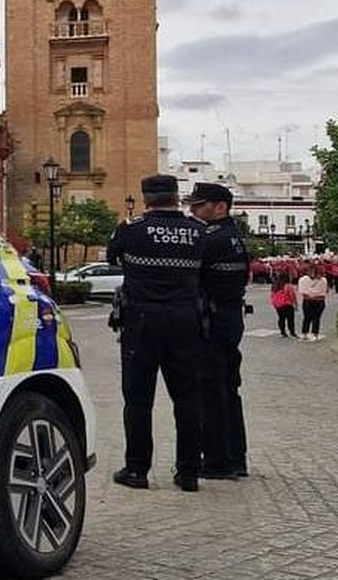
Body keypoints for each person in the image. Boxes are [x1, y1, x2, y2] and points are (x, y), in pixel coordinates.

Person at [106, 174, 206, 492]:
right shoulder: (197, 231)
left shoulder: (130, 230)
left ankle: (137, 469)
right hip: (185, 321)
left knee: (138, 399)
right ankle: (189, 472)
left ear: (146, 199)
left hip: (141, 322)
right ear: (176, 197)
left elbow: (112, 257)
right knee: (188, 397)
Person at [185, 182, 250, 479]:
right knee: (228, 389)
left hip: (211, 321)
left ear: (220, 206)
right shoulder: (233, 237)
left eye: (200, 205)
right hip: (230, 317)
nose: (193, 210)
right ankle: (236, 457)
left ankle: (216, 460)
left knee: (210, 390)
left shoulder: (209, 240)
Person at [297, 268, 328, 340]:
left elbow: (302, 291)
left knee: (307, 317)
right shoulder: (323, 280)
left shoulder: (303, 280)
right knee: (316, 318)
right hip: (319, 300)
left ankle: (305, 333)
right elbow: (326, 290)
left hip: (308, 300)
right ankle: (315, 334)